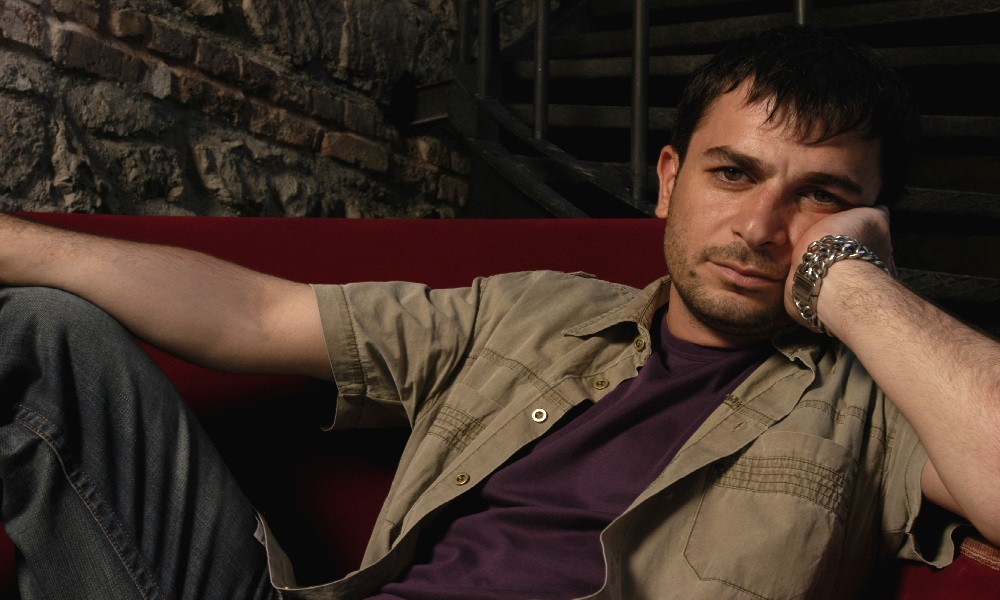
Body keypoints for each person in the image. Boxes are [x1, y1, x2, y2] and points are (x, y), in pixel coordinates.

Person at [0, 24, 997, 600]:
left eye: (818, 196)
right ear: (668, 181)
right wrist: (18, 241)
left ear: (868, 223)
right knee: (47, 331)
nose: (761, 226)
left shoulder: (882, 403)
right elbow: (259, 316)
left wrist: (851, 284)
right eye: (732, 174)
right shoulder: (532, 313)